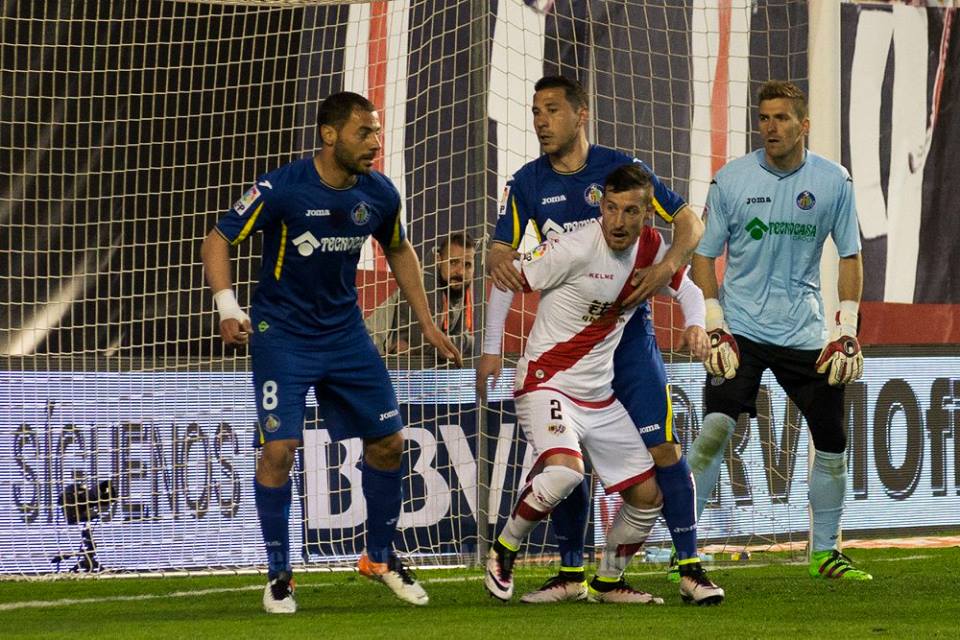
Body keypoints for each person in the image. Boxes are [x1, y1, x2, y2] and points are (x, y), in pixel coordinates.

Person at [201, 91, 461, 614]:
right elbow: (216, 238)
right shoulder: (282, 188)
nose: (375, 142)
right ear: (329, 134)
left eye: (377, 132)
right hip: (283, 336)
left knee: (389, 442)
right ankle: (279, 575)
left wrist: (428, 323)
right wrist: (228, 306)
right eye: (364, 132)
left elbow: (399, 249)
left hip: (346, 335)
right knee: (279, 451)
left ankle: (380, 557)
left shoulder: (379, 194)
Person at [477, 75, 723, 604]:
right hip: (562, 353)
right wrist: (491, 344)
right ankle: (564, 571)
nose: (541, 120)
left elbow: (689, 226)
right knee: (567, 467)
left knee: (659, 457)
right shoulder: (530, 186)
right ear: (602, 208)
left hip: (626, 341)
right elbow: (502, 263)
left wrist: (669, 275)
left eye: (552, 110)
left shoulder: (623, 172)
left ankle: (676, 568)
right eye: (535, 110)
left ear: (580, 114)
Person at [688, 80, 870, 581]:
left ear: (803, 125)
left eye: (782, 118)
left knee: (832, 443)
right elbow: (702, 257)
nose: (770, 127)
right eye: (764, 117)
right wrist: (714, 319)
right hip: (741, 329)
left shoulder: (834, 181)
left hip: (806, 332)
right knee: (712, 434)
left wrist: (848, 326)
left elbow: (850, 255)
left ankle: (826, 552)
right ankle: (683, 551)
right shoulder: (732, 180)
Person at [365, 232, 477, 363]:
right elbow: (429, 345)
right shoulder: (426, 281)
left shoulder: (458, 287)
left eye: (467, 265)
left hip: (390, 361)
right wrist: (476, 342)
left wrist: (416, 347)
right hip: (366, 350)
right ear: (438, 259)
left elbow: (451, 346)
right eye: (453, 262)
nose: (461, 271)